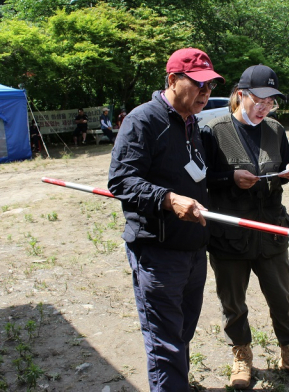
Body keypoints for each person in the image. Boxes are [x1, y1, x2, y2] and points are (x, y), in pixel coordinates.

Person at [108, 48, 224, 392]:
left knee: (183, 328)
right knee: (164, 341)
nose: (205, 92)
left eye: (210, 85)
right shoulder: (143, 120)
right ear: (173, 80)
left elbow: (197, 175)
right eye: (198, 84)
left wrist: (232, 179)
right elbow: (122, 180)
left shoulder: (193, 124)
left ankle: (177, 383)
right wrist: (168, 199)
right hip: (157, 251)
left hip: (193, 249)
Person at [201, 65, 289, 389]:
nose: (265, 107)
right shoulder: (213, 131)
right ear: (241, 95)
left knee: (283, 298)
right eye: (259, 100)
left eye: (271, 102)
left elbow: (283, 165)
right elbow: (200, 179)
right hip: (229, 236)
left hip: (271, 233)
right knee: (233, 303)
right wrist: (229, 178)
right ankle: (242, 357)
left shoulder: (276, 131)